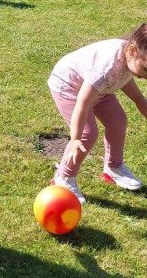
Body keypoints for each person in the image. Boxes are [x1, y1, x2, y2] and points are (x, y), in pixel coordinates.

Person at [48, 25, 146, 204]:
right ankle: (63, 178)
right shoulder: (107, 67)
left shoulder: (129, 60)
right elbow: (83, 102)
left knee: (118, 122)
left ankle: (113, 168)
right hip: (69, 87)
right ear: (132, 50)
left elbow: (138, 98)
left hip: (99, 89)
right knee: (87, 134)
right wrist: (75, 139)